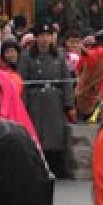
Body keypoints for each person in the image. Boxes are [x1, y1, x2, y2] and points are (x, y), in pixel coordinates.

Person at [18, 23, 75, 177]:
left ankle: (57, 167)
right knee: (37, 136)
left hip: (55, 99)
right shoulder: (27, 56)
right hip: (35, 100)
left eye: (48, 36)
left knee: (56, 137)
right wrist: (22, 105)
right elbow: (21, 82)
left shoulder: (59, 55)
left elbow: (67, 81)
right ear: (36, 38)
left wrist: (69, 104)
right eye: (41, 36)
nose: (44, 39)